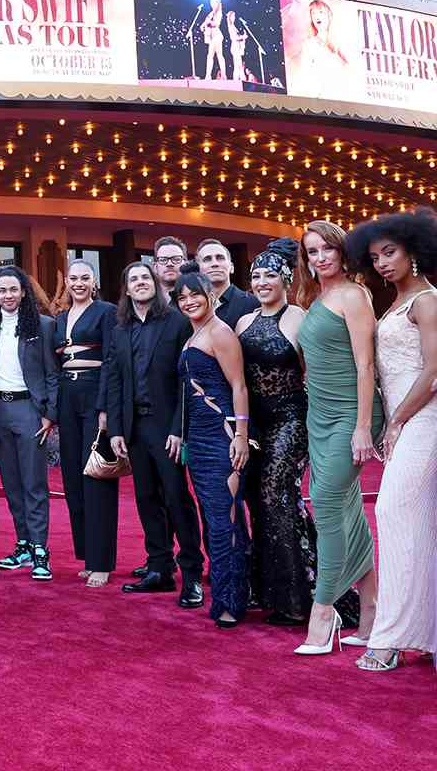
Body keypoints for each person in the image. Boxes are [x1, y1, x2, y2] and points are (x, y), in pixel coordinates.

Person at [344, 209, 437, 673]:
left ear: (414, 250)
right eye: (375, 256)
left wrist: (394, 422)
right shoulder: (394, 301)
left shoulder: (427, 300)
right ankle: (430, 634)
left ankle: (390, 637)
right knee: (422, 524)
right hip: (409, 421)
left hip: (425, 418)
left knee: (392, 512)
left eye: (391, 252)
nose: (383, 262)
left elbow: (435, 370)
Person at [293, 220, 381, 655]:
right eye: (312, 251)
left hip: (351, 415)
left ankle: (324, 610)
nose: (321, 257)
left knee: (325, 504)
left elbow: (366, 366)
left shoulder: (354, 295)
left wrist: (364, 426)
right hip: (320, 416)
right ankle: (371, 615)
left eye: (327, 248)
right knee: (348, 512)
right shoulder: (316, 298)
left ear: (342, 252)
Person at [107, 260, 204, 607]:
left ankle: (192, 573)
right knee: (146, 498)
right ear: (127, 288)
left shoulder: (177, 323)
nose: (140, 283)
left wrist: (180, 430)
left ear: (155, 283)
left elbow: (186, 381)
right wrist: (115, 429)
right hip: (134, 428)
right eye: (133, 279)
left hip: (168, 428)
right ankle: (159, 568)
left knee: (177, 497)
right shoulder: (119, 328)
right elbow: (114, 380)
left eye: (144, 277)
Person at [235, 240, 316, 625]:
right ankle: (266, 590)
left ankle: (297, 598)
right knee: (256, 498)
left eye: (270, 275)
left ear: (285, 278)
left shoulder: (299, 317)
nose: (262, 282)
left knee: (276, 494)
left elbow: (313, 374)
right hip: (255, 425)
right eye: (256, 276)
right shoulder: (244, 322)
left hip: (291, 419)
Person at [172, 261, 251, 627]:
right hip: (199, 443)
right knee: (215, 518)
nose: (188, 301)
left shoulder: (219, 332)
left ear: (210, 295)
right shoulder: (193, 334)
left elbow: (239, 386)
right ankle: (227, 594)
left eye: (195, 294)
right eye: (182, 297)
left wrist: (240, 436)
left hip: (221, 437)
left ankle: (231, 601)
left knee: (225, 520)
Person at [0, 265, 58, 581]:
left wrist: (49, 414)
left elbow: (53, 375)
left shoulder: (43, 326)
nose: (8, 295)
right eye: (2, 290)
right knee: (12, 485)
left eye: (13, 289)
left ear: (23, 292)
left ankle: (41, 550)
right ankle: (24, 544)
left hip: (30, 410)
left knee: (34, 484)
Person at [54, 259, 118, 588]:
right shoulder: (61, 318)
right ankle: (86, 555)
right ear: (66, 282)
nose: (78, 283)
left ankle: (102, 561)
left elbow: (111, 358)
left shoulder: (106, 312)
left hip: (95, 394)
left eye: (85, 278)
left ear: (93, 282)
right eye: (73, 278)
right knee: (73, 478)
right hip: (67, 395)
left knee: (96, 475)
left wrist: (106, 406)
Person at [195, 239, 260, 329]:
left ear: (232, 267)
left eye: (220, 258)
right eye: (207, 259)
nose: (215, 263)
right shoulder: (192, 305)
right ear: (198, 270)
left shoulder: (252, 303)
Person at [153, 236, 187, 301]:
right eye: (163, 260)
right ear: (155, 267)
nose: (169, 264)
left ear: (185, 264)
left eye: (176, 259)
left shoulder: (197, 298)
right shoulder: (146, 301)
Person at [201, 0, 226, 80]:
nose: (212, 5)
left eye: (213, 3)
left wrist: (209, 23)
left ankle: (210, 75)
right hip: (212, 36)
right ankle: (212, 75)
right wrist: (203, 26)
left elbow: (216, 24)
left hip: (216, 36)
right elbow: (205, 22)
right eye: (211, 3)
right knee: (215, 56)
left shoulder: (219, 12)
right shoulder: (211, 13)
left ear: (216, 3)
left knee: (215, 55)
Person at [227, 11, 248, 83]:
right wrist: (243, 37)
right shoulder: (231, 27)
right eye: (233, 16)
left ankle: (240, 80)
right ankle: (238, 81)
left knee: (239, 66)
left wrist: (242, 38)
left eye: (234, 16)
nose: (234, 18)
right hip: (235, 47)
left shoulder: (233, 26)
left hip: (237, 47)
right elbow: (234, 38)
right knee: (238, 66)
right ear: (229, 17)